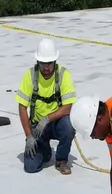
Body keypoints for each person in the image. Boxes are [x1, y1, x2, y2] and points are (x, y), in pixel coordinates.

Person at [16, 38, 77, 174]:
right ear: (37, 61)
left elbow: (68, 107)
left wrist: (47, 118)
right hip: (37, 127)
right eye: (43, 63)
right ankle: (45, 150)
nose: (46, 68)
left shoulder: (63, 74)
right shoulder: (30, 75)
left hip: (56, 123)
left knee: (69, 127)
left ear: (55, 61)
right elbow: (22, 107)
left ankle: (61, 160)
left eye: (49, 63)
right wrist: (29, 136)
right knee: (31, 167)